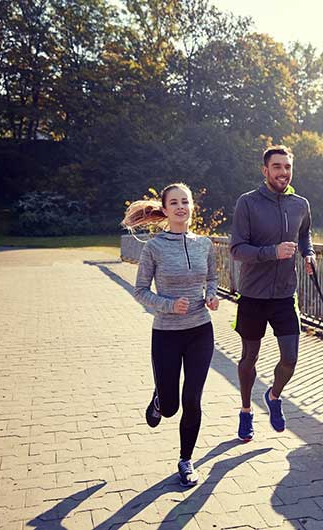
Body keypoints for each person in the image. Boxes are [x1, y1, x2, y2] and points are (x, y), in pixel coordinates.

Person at [121, 183, 219, 487]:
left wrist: (212, 296)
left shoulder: (205, 244)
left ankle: (186, 460)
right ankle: (159, 401)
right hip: (166, 334)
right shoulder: (154, 247)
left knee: (192, 400)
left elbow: (213, 278)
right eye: (174, 203)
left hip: (200, 331)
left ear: (191, 207)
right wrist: (168, 305)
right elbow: (139, 291)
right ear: (164, 210)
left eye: (185, 202)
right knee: (171, 406)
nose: (180, 207)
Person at [229, 145, 315, 442]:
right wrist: (273, 252)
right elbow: (237, 249)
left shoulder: (300, 203)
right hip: (253, 295)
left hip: (284, 295)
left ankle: (274, 395)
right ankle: (245, 411)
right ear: (265, 170)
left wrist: (309, 254)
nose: (283, 172)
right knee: (249, 358)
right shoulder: (248, 203)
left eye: (287, 167)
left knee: (290, 359)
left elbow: (304, 235)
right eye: (277, 167)